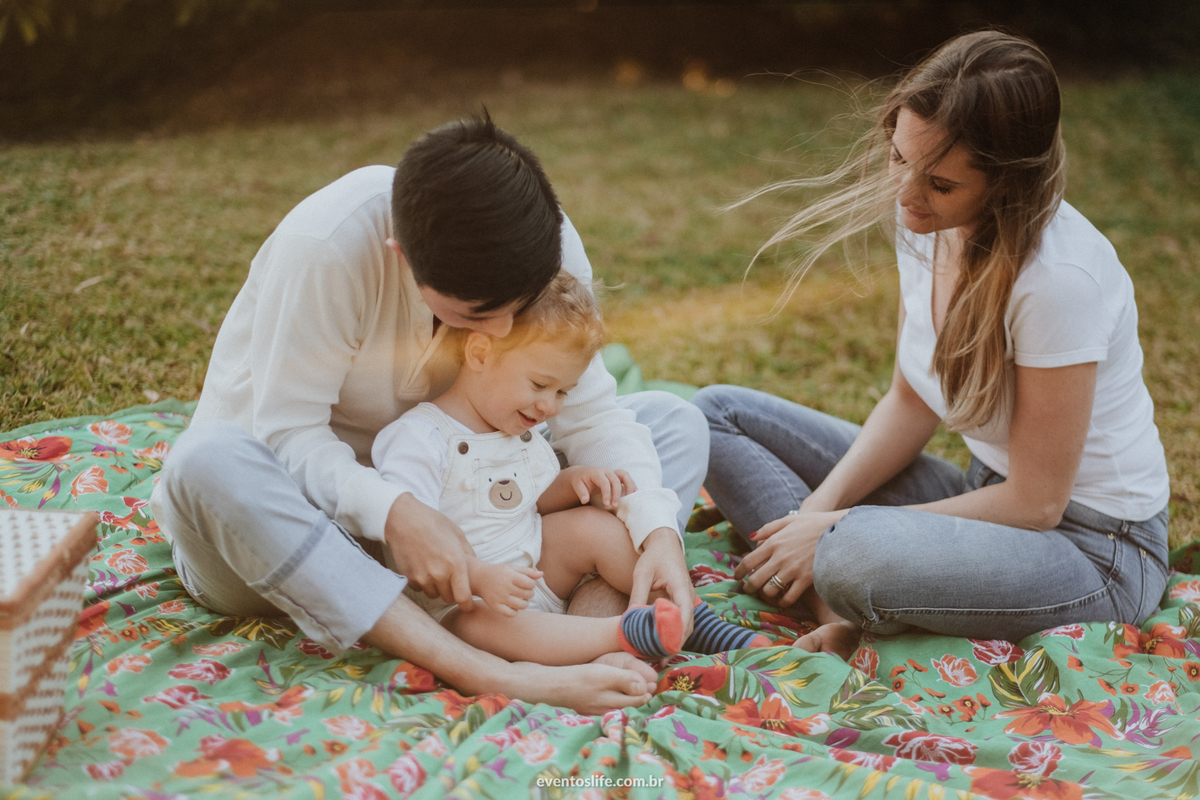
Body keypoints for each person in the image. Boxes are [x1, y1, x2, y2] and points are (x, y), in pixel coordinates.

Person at [150, 114, 710, 714]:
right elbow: (288, 436)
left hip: (478, 532)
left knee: (673, 423)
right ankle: (492, 670)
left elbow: (594, 416)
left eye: (515, 309)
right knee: (204, 460)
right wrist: (395, 513)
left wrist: (658, 534)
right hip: (294, 538)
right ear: (402, 255)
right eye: (477, 313)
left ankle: (584, 642)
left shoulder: (542, 246)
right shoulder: (327, 248)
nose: (497, 333)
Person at [692, 30, 1171, 658]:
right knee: (713, 415)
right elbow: (911, 400)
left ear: (1007, 185)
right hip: (983, 495)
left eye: (940, 184)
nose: (906, 194)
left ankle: (833, 584)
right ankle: (831, 607)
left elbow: (1037, 503)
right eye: (898, 159)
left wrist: (838, 530)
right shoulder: (924, 221)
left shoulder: (1060, 282)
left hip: (1092, 551)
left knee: (852, 553)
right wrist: (816, 512)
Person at [372, 272, 767, 665]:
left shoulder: (514, 428)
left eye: (563, 392)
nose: (551, 407)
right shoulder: (418, 438)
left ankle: (692, 615)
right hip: (464, 600)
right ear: (478, 354)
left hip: (536, 565)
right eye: (540, 385)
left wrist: (571, 484)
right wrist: (477, 577)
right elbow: (414, 542)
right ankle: (620, 636)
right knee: (479, 624)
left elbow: (525, 503)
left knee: (596, 530)